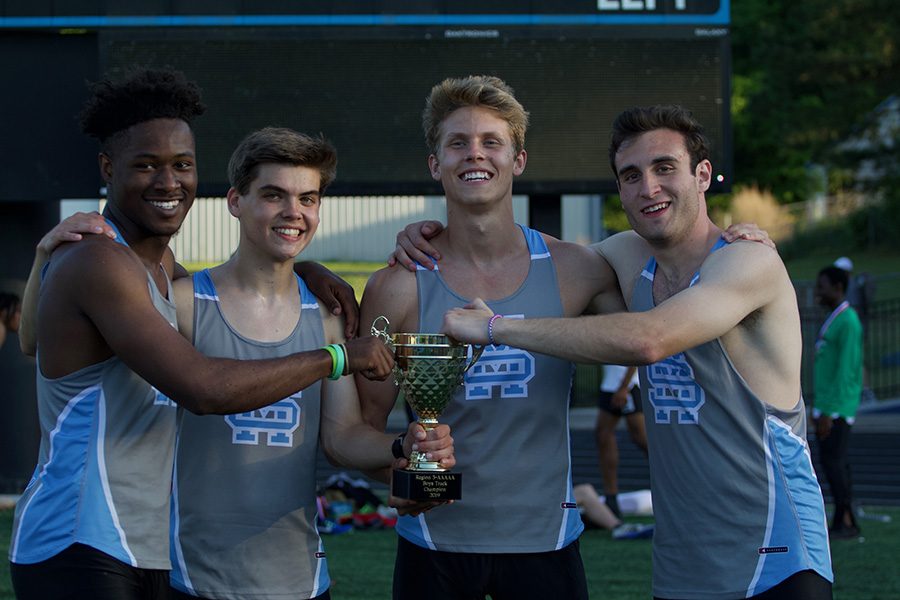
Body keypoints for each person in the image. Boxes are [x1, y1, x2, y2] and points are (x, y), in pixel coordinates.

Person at [6, 68, 412, 600]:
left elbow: (34, 342)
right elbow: (204, 389)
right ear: (108, 169)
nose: (169, 182)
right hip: (79, 540)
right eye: (147, 165)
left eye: (182, 165)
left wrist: (305, 269)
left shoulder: (158, 268)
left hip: (141, 547)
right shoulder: (99, 262)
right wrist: (338, 357)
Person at [426, 104, 833, 598]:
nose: (649, 188)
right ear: (619, 189)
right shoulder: (624, 257)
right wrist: (428, 238)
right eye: (631, 175)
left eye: (665, 168)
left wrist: (495, 327)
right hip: (682, 567)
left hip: (777, 558)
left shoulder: (748, 261)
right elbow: (521, 255)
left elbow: (649, 340)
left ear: (702, 175)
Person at [813, 265, 863, 540]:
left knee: (835, 463)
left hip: (838, 407)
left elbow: (846, 370)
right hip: (827, 405)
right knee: (833, 462)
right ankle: (842, 519)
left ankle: (846, 520)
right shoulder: (835, 319)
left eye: (822, 286)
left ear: (838, 288)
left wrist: (830, 411)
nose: (818, 292)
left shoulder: (848, 321)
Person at [595, 364, 647, 519]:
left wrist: (624, 386)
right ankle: (611, 499)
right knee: (603, 436)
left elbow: (634, 351)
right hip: (611, 384)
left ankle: (672, 484)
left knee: (641, 438)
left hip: (626, 386)